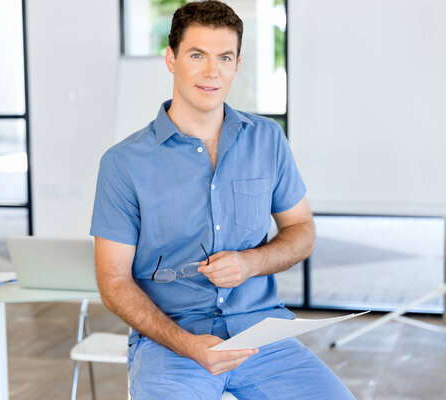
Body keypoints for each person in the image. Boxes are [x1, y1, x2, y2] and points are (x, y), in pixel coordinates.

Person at [90, 1, 355, 398]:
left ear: (236, 64)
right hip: (171, 344)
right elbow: (113, 281)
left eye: (224, 57)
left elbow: (301, 232)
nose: (212, 72)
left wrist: (250, 263)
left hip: (262, 334)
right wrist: (185, 343)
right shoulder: (122, 163)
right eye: (197, 55)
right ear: (171, 58)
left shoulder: (268, 139)